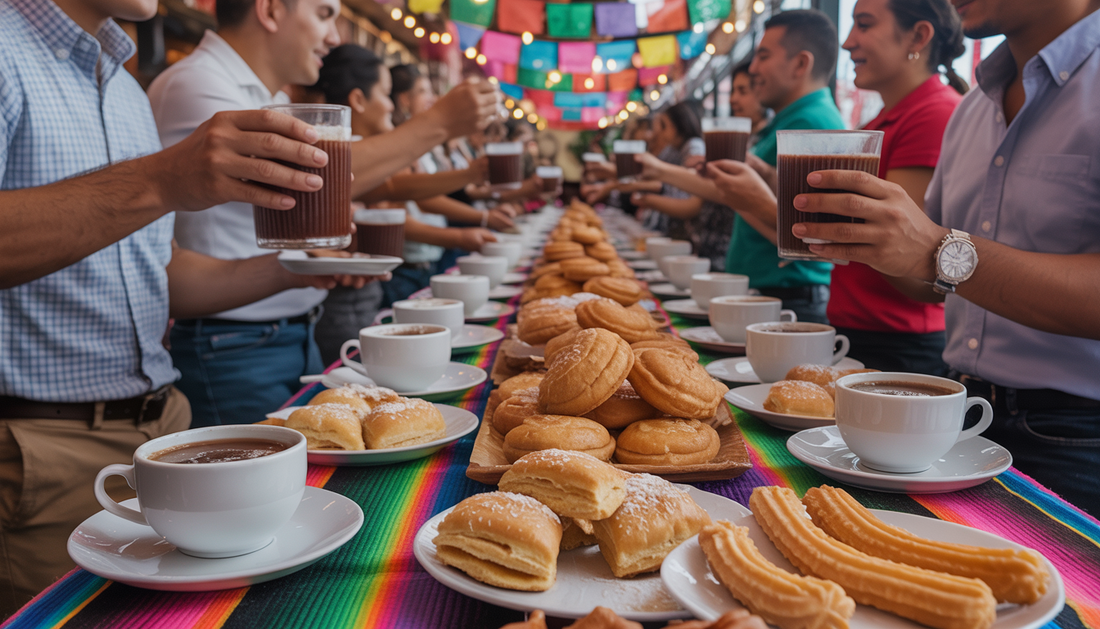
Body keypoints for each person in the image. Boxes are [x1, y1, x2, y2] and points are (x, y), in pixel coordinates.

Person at [0, 0, 370, 612]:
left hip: (169, 428)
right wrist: (162, 179)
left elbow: (161, 278)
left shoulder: (122, 84)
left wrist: (292, 268)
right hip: (41, 449)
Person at [789, 0, 1100, 514]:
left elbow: (939, 259)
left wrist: (935, 251)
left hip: (1078, 433)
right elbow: (930, 279)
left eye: (864, 25)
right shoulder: (973, 108)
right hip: (950, 407)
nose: (849, 42)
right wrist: (887, 247)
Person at [147, 0, 496, 426]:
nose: (334, 37)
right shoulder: (196, 83)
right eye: (325, 14)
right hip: (231, 346)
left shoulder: (269, 97)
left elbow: (319, 192)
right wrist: (438, 122)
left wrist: (326, 249)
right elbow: (318, 177)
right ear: (271, 10)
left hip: (288, 329)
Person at [308, 44, 499, 363]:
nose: (390, 104)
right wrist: (466, 230)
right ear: (357, 100)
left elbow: (398, 188)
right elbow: (395, 197)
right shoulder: (349, 152)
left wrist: (469, 180)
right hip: (348, 293)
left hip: (358, 288)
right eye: (386, 93)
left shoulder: (380, 149)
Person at [816, 0, 966, 373]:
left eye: (864, 25)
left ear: (918, 35)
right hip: (861, 331)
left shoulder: (934, 112)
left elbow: (904, 254)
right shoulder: (881, 120)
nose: (848, 42)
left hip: (898, 343)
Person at [728, 62, 772, 139]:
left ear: (761, 93)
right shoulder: (737, 137)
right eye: (732, 91)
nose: (732, 99)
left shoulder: (774, 136)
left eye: (743, 91)